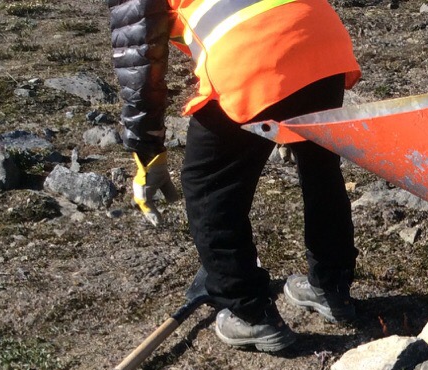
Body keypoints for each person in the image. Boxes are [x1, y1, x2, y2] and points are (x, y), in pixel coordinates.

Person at [108, 0, 363, 352]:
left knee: (208, 184)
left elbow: (138, 59)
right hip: (320, 39)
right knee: (320, 165)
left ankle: (250, 312)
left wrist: (147, 152)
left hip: (250, 54)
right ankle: (331, 288)